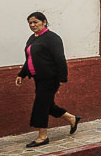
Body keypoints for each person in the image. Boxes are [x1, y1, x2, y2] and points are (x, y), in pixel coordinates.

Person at [15, 12, 80, 148]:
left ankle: (42, 136)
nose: (32, 25)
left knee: (40, 105)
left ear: (44, 22)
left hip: (50, 77)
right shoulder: (32, 38)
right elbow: (30, 59)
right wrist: (21, 74)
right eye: (30, 23)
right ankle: (71, 118)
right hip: (38, 78)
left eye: (35, 22)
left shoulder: (52, 38)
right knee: (47, 104)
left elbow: (60, 58)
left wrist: (63, 77)